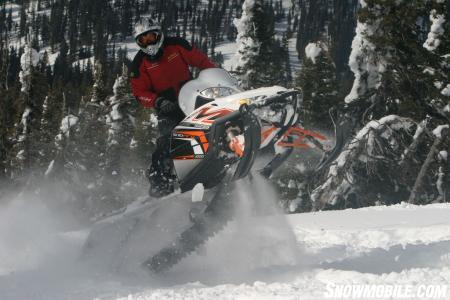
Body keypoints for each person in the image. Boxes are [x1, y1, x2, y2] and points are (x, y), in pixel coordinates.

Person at [130, 17, 216, 198]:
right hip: (166, 106)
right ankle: (161, 184)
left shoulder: (176, 45)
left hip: (191, 95)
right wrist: (157, 101)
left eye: (150, 37)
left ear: (158, 34)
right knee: (168, 141)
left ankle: (218, 156)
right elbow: (139, 92)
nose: (148, 43)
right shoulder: (139, 64)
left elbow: (201, 61)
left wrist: (214, 77)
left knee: (213, 122)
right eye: (142, 40)